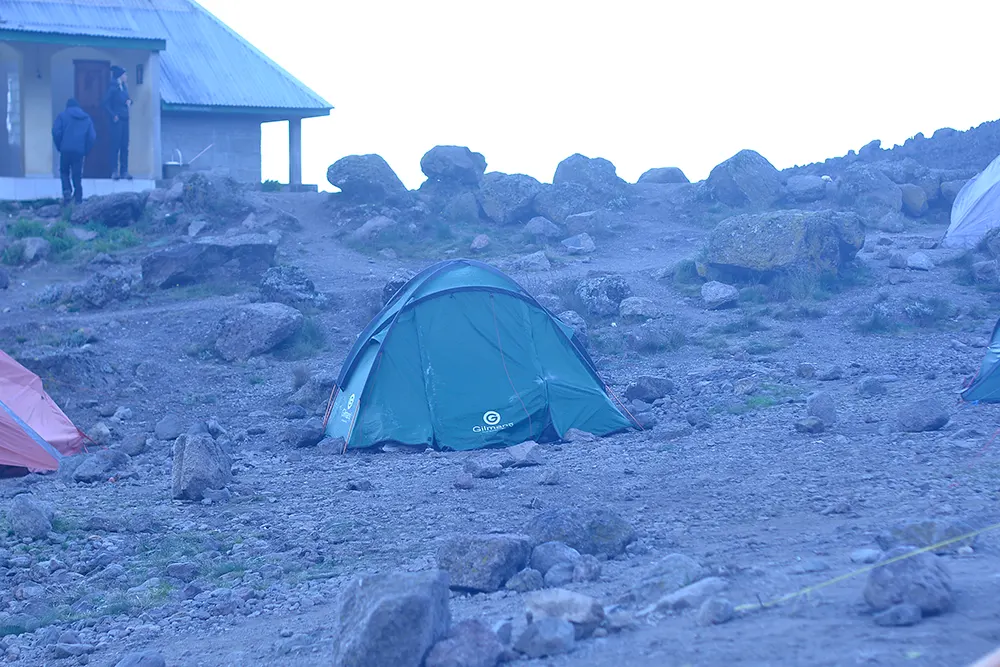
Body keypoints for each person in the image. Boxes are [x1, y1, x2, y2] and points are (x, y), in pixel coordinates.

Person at [51, 98, 96, 205]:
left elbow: (56, 132)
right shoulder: (86, 118)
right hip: (79, 151)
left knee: (64, 171)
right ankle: (79, 198)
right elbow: (92, 137)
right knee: (77, 174)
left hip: (65, 150)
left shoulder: (62, 116)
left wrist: (60, 146)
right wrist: (85, 150)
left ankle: (67, 192)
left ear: (67, 106)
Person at [102, 65, 132, 180]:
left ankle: (124, 171)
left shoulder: (124, 87)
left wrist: (129, 101)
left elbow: (126, 99)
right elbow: (105, 103)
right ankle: (114, 171)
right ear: (120, 76)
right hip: (117, 120)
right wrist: (113, 114)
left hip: (125, 119)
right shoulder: (113, 87)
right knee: (115, 146)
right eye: (125, 74)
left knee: (125, 146)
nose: (126, 76)